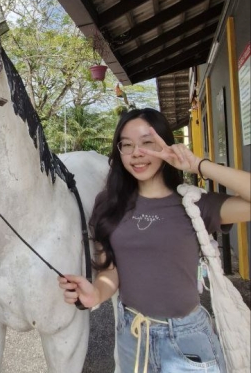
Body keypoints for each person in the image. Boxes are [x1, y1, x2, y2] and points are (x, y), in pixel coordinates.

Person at [58, 108, 251, 373]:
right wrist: (96, 294)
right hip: (132, 337)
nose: (136, 153)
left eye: (147, 143)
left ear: (165, 145)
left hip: (187, 341)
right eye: (127, 145)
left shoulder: (194, 203)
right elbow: (109, 272)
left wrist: (197, 165)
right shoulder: (108, 205)